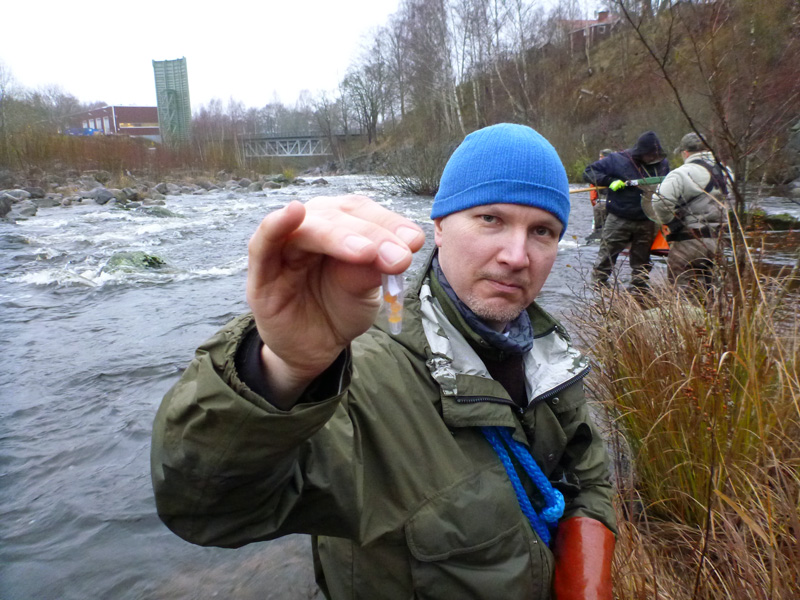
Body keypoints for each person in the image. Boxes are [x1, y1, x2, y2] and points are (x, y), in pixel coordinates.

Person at [151, 123, 617, 600]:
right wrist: (283, 369)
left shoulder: (544, 350)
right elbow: (208, 508)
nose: (517, 255)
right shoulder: (359, 373)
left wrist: (585, 579)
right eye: (490, 219)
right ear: (439, 226)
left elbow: (586, 469)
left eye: (542, 231)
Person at [583, 132, 670, 292]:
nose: (652, 158)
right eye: (649, 155)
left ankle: (639, 293)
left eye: (654, 155)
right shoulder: (617, 160)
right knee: (606, 256)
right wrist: (610, 181)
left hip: (647, 219)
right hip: (619, 217)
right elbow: (589, 172)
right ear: (641, 152)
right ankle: (599, 291)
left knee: (642, 262)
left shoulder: (662, 163)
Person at [651, 132, 732, 295]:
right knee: (715, 292)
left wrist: (671, 223)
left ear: (685, 152)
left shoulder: (682, 173)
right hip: (720, 241)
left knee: (684, 294)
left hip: (689, 242)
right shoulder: (726, 171)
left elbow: (659, 200)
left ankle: (689, 320)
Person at [588, 148, 615, 237]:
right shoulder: (597, 171)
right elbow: (592, 189)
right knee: (598, 208)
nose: (600, 159)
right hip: (602, 200)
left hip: (615, 200)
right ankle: (598, 231)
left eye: (601, 157)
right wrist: (593, 199)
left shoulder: (616, 169)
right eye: (600, 157)